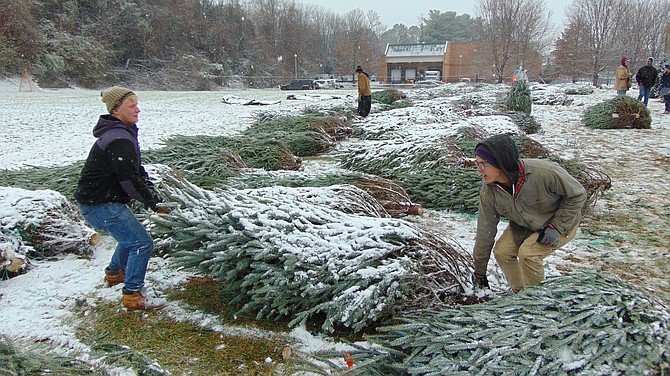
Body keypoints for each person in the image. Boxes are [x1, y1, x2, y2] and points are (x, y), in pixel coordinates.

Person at [75, 86, 165, 310]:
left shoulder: (123, 132)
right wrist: (154, 204)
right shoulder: (118, 138)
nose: (138, 109)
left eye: (137, 104)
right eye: (132, 105)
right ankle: (133, 295)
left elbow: (135, 170)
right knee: (141, 243)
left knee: (129, 237)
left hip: (101, 201)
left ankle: (115, 273)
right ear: (116, 110)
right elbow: (128, 180)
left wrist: (154, 193)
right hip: (100, 205)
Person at [471, 134, 587, 292]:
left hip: (559, 223)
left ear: (500, 162)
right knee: (502, 252)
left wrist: (557, 226)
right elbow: (485, 230)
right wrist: (479, 272)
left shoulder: (544, 172)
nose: (479, 170)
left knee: (529, 254)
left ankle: (536, 300)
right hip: (524, 226)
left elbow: (578, 194)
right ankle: (520, 293)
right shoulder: (489, 191)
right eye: (477, 164)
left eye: (483, 164)